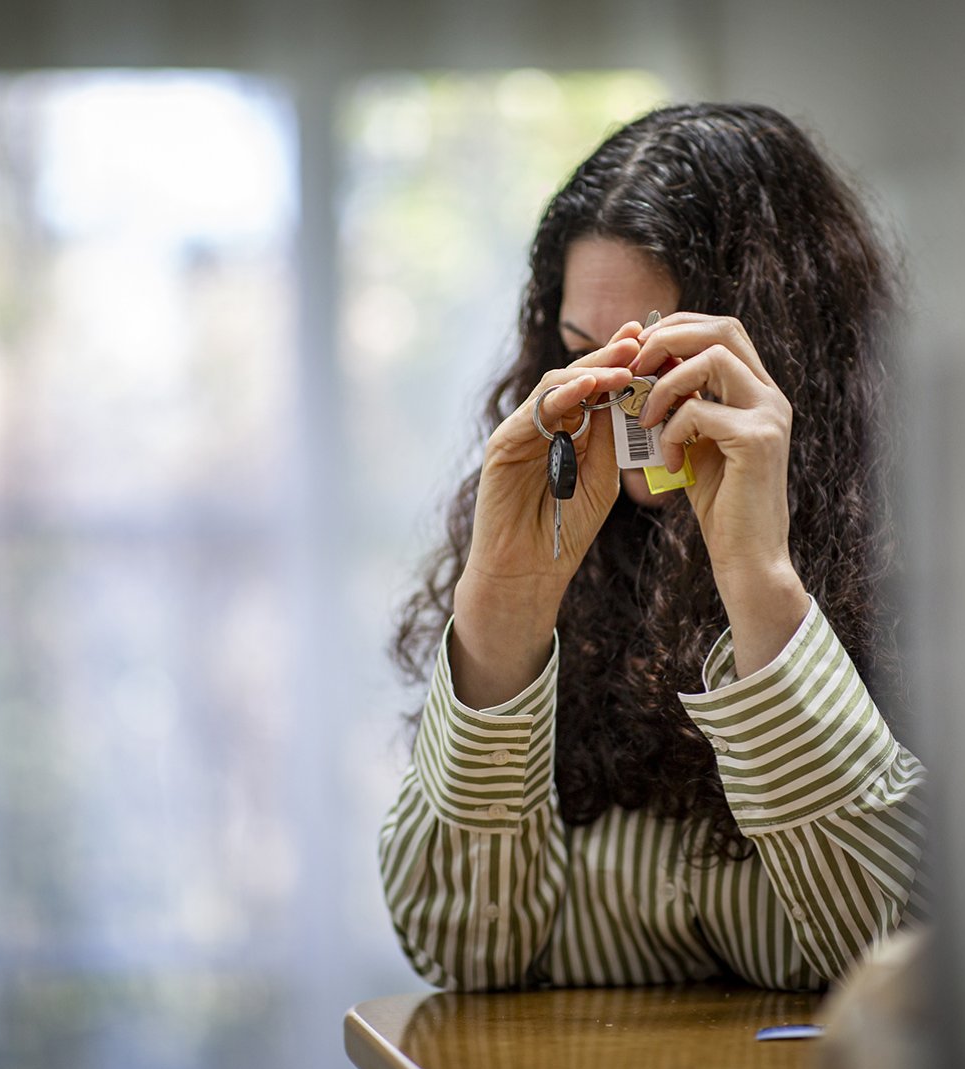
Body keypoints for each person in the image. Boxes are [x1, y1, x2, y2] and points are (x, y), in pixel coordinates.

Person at [381, 103, 926, 992]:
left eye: (664, 360)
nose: (623, 403)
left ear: (791, 355)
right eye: (582, 353)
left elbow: (904, 960)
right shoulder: (568, 553)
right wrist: (504, 606)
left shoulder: (936, 563)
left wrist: (760, 583)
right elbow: (461, 953)